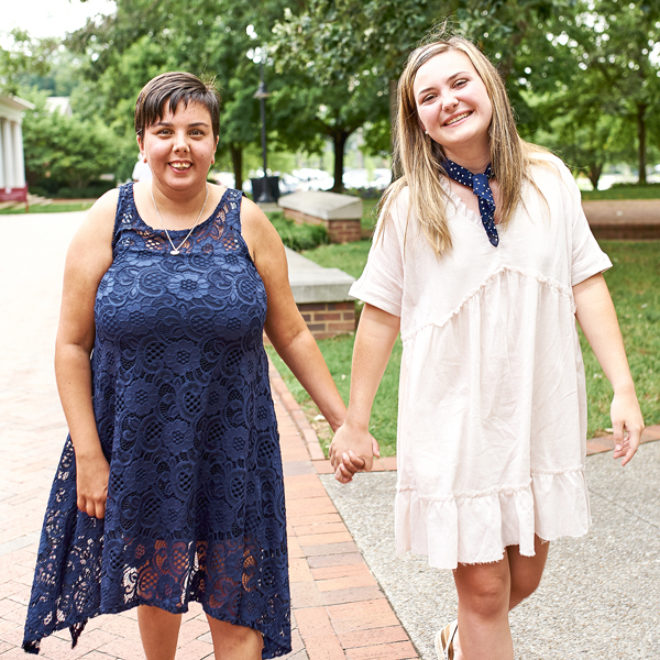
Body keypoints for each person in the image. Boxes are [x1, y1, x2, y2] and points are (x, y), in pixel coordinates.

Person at [329, 32, 644, 660]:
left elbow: (587, 282)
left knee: (522, 579)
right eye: (428, 96)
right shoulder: (407, 206)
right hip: (454, 421)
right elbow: (380, 316)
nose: (447, 100)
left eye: (459, 82)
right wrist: (355, 421)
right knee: (484, 591)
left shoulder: (550, 180)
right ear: (416, 119)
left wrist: (623, 387)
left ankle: (458, 642)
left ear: (489, 87)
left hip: (536, 412)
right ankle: (473, 633)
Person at [23, 71, 347, 659]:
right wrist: (91, 457)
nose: (181, 145)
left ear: (214, 144)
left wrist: (343, 422)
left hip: (234, 447)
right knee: (157, 583)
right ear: (142, 142)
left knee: (239, 602)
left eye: (196, 132)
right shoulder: (109, 217)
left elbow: (293, 331)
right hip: (140, 447)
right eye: (164, 131)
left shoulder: (247, 221)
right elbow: (71, 345)